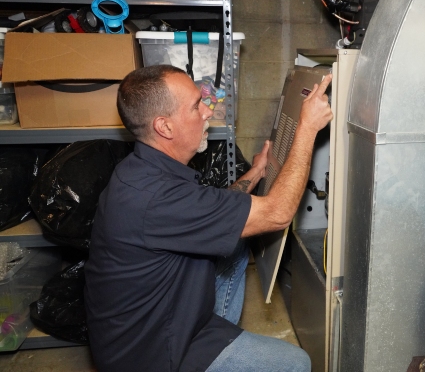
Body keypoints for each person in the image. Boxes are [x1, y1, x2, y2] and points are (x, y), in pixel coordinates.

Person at [84, 64, 333, 372]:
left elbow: (213, 210)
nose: (207, 111)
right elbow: (278, 214)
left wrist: (255, 173)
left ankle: (222, 336)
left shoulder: (144, 168)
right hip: (154, 353)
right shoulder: (156, 197)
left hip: (155, 316)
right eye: (195, 106)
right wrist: (307, 129)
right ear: (165, 127)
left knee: (237, 243)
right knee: (296, 363)